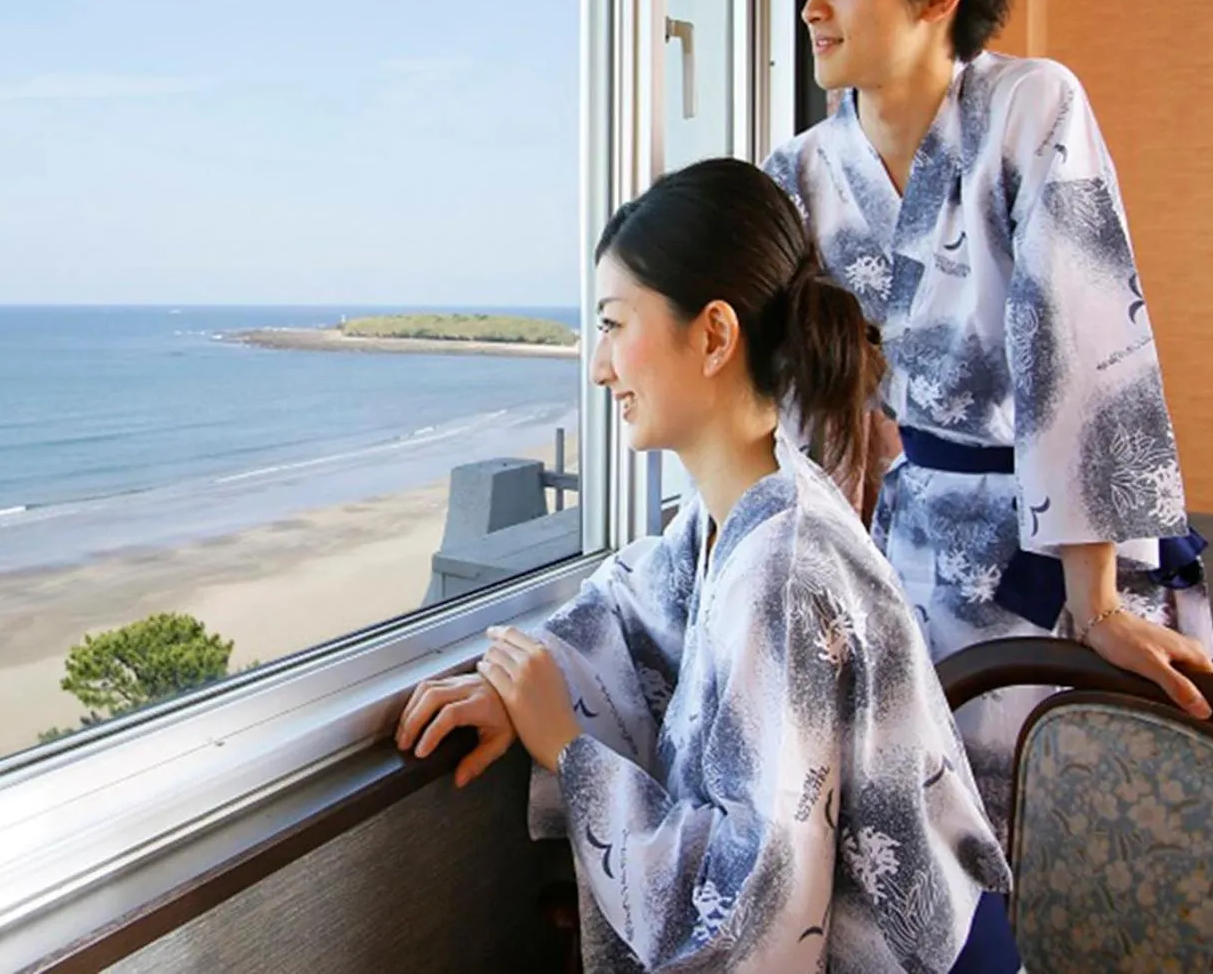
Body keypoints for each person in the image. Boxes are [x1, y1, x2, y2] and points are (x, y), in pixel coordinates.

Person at [398, 159, 1015, 973]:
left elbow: (750, 921)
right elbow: (635, 605)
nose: (598, 366)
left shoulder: (785, 570)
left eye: (615, 325)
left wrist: (566, 749)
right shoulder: (746, 505)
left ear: (715, 335)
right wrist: (523, 680)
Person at [765, 0, 1213, 830]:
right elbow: (792, 407)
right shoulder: (794, 173)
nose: (813, 5)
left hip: (1066, 560)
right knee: (930, 851)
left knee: (1078, 844)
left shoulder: (1031, 109)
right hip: (912, 552)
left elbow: (1083, 335)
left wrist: (1097, 606)